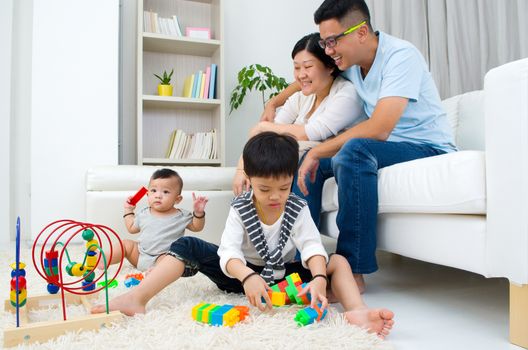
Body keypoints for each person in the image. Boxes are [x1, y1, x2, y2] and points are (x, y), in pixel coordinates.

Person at [91, 132, 394, 339]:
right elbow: (229, 253)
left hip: (282, 274)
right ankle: (137, 297)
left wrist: (317, 277)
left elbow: (312, 245)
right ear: (249, 181)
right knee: (185, 244)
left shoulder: (297, 207)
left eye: (284, 188)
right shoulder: (241, 208)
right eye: (264, 189)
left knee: (337, 260)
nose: (275, 197)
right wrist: (248, 277)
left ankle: (356, 312)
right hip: (239, 274)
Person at [262, 0, 457, 293]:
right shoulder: (350, 65)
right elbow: (310, 75)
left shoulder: (401, 57)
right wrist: (274, 102)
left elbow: (379, 128)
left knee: (351, 151)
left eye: (331, 41)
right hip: (387, 149)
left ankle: (352, 272)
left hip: (426, 147)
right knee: (308, 167)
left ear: (361, 32)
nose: (328, 51)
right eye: (325, 43)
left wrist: (317, 149)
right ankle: (306, 268)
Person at [232, 32, 364, 195]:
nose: (301, 74)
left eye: (308, 67)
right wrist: (241, 170)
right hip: (304, 155)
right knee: (268, 154)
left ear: (330, 66)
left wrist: (263, 127)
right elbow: (265, 138)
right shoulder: (302, 97)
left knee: (288, 154)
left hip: (334, 157)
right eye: (296, 67)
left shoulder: (347, 94)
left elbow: (309, 133)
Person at [98, 168, 208, 272]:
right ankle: (104, 260)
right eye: (154, 190)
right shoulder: (144, 213)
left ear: (177, 199)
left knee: (170, 259)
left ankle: (156, 273)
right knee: (126, 244)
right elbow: (131, 228)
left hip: (164, 258)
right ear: (147, 194)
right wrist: (128, 210)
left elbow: (197, 227)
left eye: (165, 192)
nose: (158, 196)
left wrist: (198, 213)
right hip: (140, 255)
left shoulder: (182, 215)